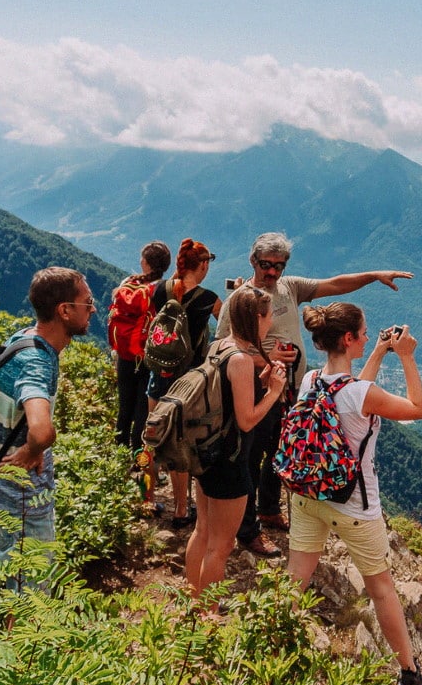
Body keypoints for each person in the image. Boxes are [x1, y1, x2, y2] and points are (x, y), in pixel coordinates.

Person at [215, 231, 413, 557]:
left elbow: (333, 284)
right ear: (253, 261)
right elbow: (221, 349)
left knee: (281, 452)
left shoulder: (289, 287)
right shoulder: (241, 301)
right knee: (250, 460)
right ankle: (247, 529)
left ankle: (268, 509)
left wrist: (373, 276)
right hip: (254, 391)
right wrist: (269, 358)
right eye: (267, 265)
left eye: (279, 265)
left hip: (291, 391)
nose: (273, 272)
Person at [285, 303, 422, 685]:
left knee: (295, 579)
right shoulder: (364, 394)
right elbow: (418, 408)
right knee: (381, 588)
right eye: (363, 333)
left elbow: (346, 393)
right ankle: (409, 671)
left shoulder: (310, 380)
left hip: (308, 495)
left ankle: (270, 643)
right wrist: (407, 357)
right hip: (355, 505)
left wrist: (379, 352)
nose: (367, 337)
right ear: (348, 339)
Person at [0, 266, 93, 589]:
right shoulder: (36, 362)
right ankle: (21, 639)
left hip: (2, 488)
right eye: (87, 303)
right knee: (31, 586)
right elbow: (42, 430)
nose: (93, 310)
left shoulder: (22, 340)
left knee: (16, 576)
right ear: (64, 311)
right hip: (20, 495)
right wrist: (33, 449)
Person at [184, 286, 287, 602]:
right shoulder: (242, 358)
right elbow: (245, 420)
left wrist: (263, 379)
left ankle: (192, 599)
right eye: (269, 316)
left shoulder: (220, 347)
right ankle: (206, 615)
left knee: (202, 531)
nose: (270, 323)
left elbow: (225, 396)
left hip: (207, 452)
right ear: (257, 317)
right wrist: (274, 391)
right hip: (230, 460)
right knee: (222, 545)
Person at [146, 238, 223, 529]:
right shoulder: (208, 298)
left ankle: (146, 499)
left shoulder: (159, 290)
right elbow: (228, 327)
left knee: (150, 439)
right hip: (187, 383)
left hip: (158, 375)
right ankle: (181, 509)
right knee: (179, 444)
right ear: (202, 265)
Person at [110, 240, 171, 449]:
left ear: (145, 263)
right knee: (142, 409)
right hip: (149, 356)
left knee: (124, 406)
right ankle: (138, 456)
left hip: (125, 355)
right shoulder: (162, 289)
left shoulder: (129, 282)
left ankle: (119, 453)